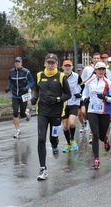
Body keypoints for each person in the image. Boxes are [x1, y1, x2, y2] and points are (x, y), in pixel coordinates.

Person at [31, 53, 71, 181]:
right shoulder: (39, 75)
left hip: (56, 113)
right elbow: (36, 89)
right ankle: (43, 168)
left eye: (52, 63)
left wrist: (57, 99)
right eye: (48, 62)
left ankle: (55, 145)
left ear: (56, 65)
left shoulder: (61, 76)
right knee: (41, 139)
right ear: (44, 64)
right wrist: (34, 97)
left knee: (53, 138)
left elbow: (68, 94)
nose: (50, 65)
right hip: (42, 111)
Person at [82, 62, 111, 169]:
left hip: (104, 112)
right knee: (95, 135)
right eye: (99, 69)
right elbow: (84, 94)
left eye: (103, 69)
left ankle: (105, 139)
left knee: (101, 136)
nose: (101, 71)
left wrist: (105, 98)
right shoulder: (89, 82)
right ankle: (96, 158)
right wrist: (85, 99)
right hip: (92, 111)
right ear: (95, 71)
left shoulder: (108, 83)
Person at [6, 56, 35, 138]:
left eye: (19, 62)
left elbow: (32, 81)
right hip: (15, 95)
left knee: (21, 114)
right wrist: (8, 87)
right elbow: (10, 81)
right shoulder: (11, 72)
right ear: (14, 63)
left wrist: (26, 87)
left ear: (21, 63)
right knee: (15, 112)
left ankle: (25, 113)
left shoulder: (26, 72)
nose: (17, 63)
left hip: (23, 95)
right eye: (16, 62)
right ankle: (18, 131)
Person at [61, 60, 82, 153]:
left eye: (69, 66)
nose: (67, 68)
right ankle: (68, 143)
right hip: (64, 104)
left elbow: (83, 86)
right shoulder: (59, 76)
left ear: (72, 67)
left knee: (72, 123)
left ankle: (72, 139)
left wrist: (79, 93)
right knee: (65, 126)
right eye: (65, 66)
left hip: (74, 102)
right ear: (62, 67)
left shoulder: (77, 76)